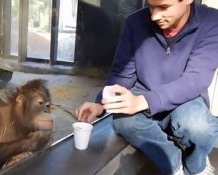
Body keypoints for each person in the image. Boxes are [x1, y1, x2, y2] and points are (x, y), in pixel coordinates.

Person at [75, 0, 218, 174]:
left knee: (198, 127)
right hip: (143, 92)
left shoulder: (211, 22)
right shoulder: (135, 23)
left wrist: (143, 101)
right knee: (123, 121)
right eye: (151, 6)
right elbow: (122, 75)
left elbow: (195, 80)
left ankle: (198, 166)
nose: (154, 16)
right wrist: (101, 104)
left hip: (185, 99)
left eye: (164, 7)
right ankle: (175, 165)